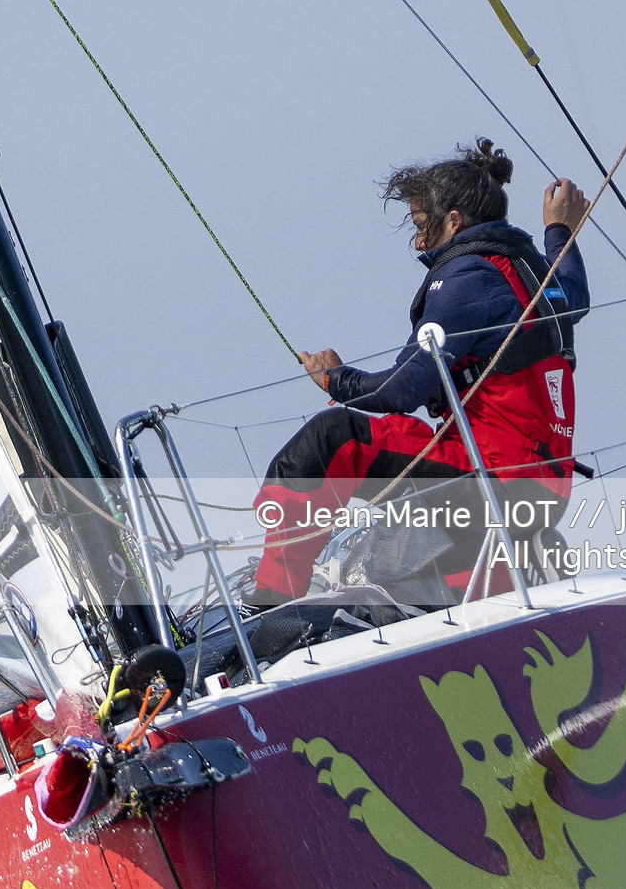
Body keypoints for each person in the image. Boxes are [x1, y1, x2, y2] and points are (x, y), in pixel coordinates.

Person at [249, 140, 590, 607]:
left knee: (333, 439)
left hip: (494, 486)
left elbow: (404, 388)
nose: (417, 241)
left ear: (453, 221)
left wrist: (336, 380)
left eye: (419, 224)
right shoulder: (523, 266)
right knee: (405, 470)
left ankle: (270, 605)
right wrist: (558, 230)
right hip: (544, 490)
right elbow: (573, 292)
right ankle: (483, 576)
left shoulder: (466, 278)